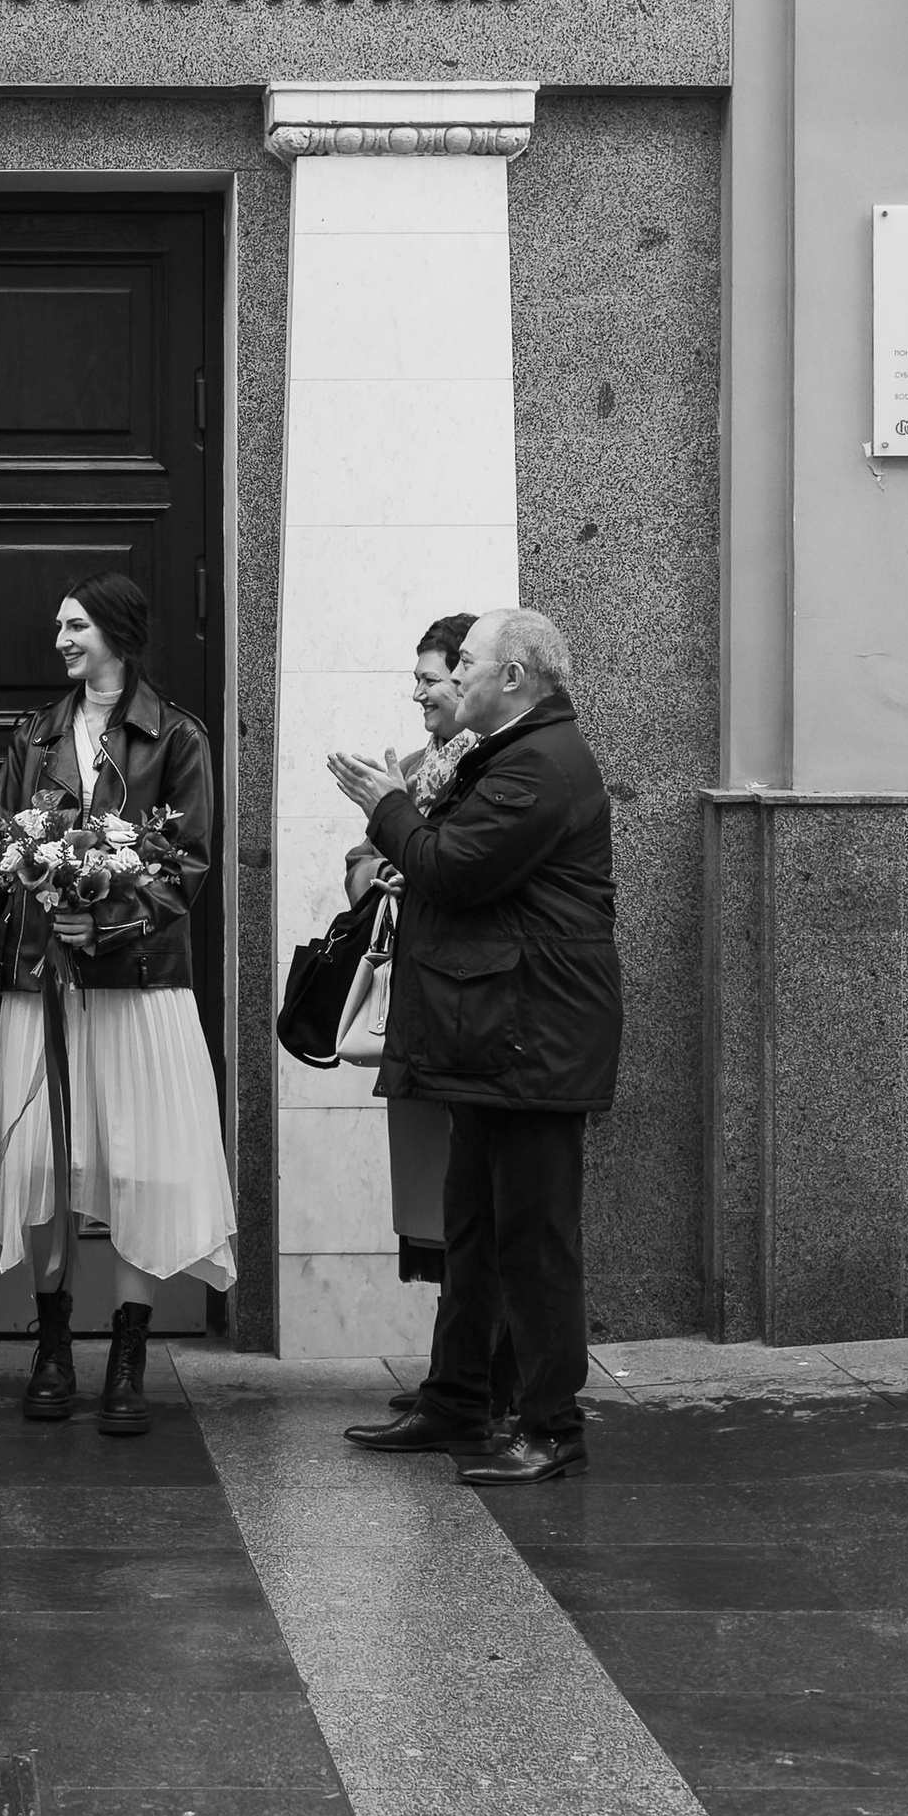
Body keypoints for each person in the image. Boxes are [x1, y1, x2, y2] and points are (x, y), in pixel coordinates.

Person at [327, 607, 621, 1484]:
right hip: (495, 1034)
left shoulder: (538, 766)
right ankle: (457, 1402)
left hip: (533, 1041)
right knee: (474, 1232)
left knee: (533, 1242)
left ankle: (550, 1427)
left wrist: (386, 809)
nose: (452, 681)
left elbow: (452, 867)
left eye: (467, 667)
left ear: (515, 679)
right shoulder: (505, 754)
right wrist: (401, 821)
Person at [0, 575, 236, 1437]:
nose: (59, 639)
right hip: (44, 980)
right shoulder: (34, 735)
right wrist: (36, 885)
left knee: (133, 1162)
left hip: (138, 984)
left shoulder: (180, 738)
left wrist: (112, 913)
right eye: (57, 625)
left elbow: (187, 863)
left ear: (117, 634)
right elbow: (1, 837)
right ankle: (54, 1348)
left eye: (75, 624)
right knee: (50, 1157)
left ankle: (129, 1355)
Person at [322, 613, 522, 1453]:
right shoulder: (409, 773)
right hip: (420, 1017)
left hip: (477, 1022)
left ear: (473, 679)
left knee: (491, 1215)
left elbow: (464, 867)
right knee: (444, 1219)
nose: (419, 694)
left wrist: (417, 852)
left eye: (432, 677)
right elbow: (363, 870)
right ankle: (453, 1389)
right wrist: (394, 860)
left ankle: (497, 1393)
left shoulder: (499, 767)